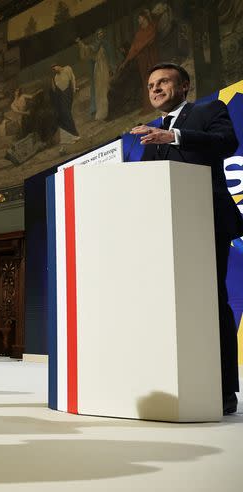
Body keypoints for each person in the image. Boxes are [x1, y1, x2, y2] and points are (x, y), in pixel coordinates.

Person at [131, 62, 242, 415]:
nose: (156, 88)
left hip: (206, 222)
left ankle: (222, 391)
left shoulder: (208, 110)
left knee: (210, 302)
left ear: (184, 86)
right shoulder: (151, 134)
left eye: (163, 81)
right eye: (151, 85)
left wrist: (174, 137)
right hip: (166, 231)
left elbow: (226, 142)